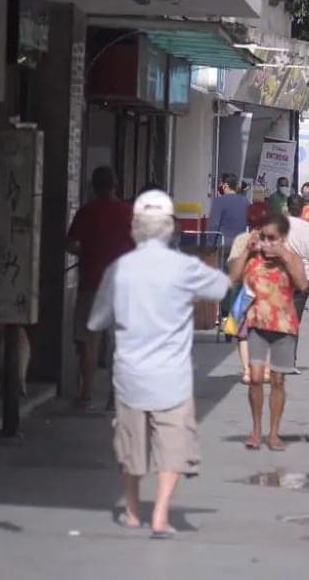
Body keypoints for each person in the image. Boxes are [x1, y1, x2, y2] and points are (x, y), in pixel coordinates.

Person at [88, 189, 229, 539]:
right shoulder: (184, 267)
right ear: (171, 228)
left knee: (131, 448)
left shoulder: (119, 269)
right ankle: (162, 514)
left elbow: (96, 321)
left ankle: (133, 510)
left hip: (130, 376)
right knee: (173, 447)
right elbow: (221, 288)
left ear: (135, 226)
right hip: (172, 378)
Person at [229, 213, 309, 452]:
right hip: (256, 323)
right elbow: (233, 277)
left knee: (277, 379)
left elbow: (303, 285)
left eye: (271, 237)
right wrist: (247, 249)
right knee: (255, 377)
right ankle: (256, 430)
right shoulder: (253, 258)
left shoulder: (292, 257)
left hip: (284, 325)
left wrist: (284, 256)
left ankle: (273, 433)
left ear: (282, 238)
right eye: (263, 236)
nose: (266, 242)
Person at [68, 166, 135, 409]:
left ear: (94, 187)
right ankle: (114, 397)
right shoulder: (128, 213)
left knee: (89, 341)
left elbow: (71, 243)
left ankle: (85, 393)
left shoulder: (87, 212)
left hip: (92, 283)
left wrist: (87, 252)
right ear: (115, 185)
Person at [227, 202, 271, 383]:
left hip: (244, 290)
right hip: (268, 291)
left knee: (243, 332)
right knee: (268, 331)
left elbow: (232, 265)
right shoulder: (273, 239)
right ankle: (266, 370)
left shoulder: (241, 240)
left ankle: (247, 371)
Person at [209, 172, 250, 259]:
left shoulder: (219, 201)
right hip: (241, 244)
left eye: (220, 183)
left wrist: (210, 244)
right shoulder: (246, 202)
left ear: (225, 185)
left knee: (222, 270)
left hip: (224, 244)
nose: (219, 186)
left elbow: (214, 225)